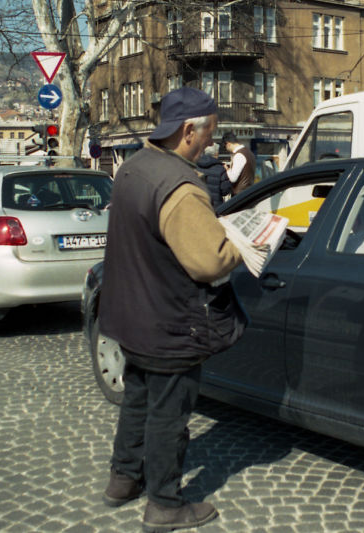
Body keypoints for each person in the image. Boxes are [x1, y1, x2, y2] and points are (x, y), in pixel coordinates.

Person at [99, 87, 246, 533]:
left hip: (133, 315)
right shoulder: (181, 186)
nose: (211, 145)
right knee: (169, 413)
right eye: (209, 136)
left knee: (138, 399)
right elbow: (209, 261)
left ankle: (123, 479)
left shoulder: (134, 167)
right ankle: (164, 503)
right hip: (171, 321)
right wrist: (242, 244)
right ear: (188, 131)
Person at [195, 142, 233, 208]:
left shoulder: (195, 167)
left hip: (199, 205)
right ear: (216, 154)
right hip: (216, 208)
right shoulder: (220, 169)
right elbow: (225, 191)